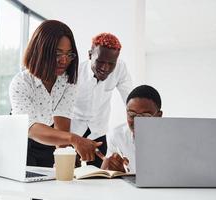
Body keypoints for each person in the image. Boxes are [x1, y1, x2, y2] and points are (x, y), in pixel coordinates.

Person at [9, 20, 102, 168]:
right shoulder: (21, 82)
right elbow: (31, 128)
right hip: (21, 141)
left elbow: (61, 124)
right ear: (41, 50)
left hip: (50, 138)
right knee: (27, 187)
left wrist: (69, 161)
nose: (64, 60)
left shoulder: (68, 81)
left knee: (52, 184)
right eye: (58, 53)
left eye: (69, 54)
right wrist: (74, 139)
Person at [71, 33, 133, 167]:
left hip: (98, 131)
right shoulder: (75, 72)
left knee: (100, 178)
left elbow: (130, 99)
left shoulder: (120, 68)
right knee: (69, 176)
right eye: (100, 61)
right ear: (90, 55)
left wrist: (140, 124)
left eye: (111, 63)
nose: (105, 68)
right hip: (73, 131)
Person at [100, 85, 163, 172]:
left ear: (159, 116)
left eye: (145, 116)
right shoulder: (117, 135)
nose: (137, 121)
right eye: (132, 115)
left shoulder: (171, 139)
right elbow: (105, 172)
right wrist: (116, 170)